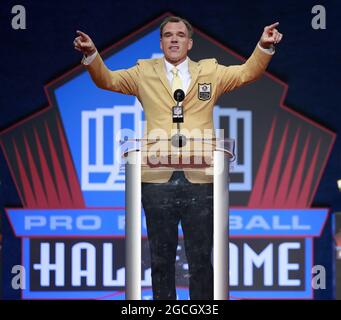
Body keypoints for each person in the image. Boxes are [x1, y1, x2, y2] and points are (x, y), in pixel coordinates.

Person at [74, 16, 283, 300]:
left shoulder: (210, 71)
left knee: (200, 260)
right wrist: (91, 55)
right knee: (160, 260)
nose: (174, 39)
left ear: (190, 42)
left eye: (180, 35)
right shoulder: (142, 72)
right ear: (160, 43)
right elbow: (107, 79)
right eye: (168, 35)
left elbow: (247, 72)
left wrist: (263, 46)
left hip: (201, 177)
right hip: (156, 177)